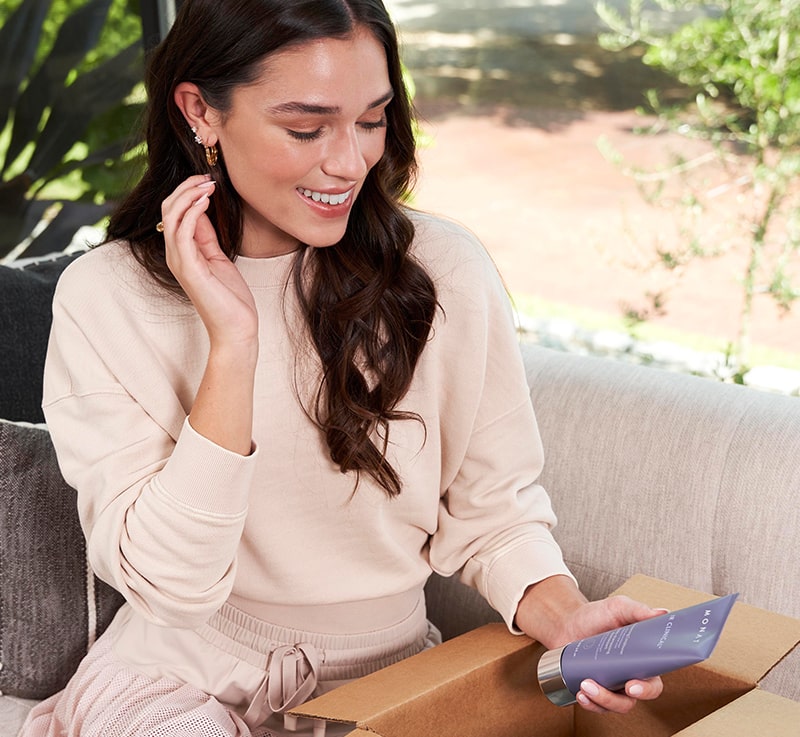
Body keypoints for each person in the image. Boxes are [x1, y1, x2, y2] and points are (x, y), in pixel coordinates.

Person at [21, 1, 664, 735]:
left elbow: (494, 514)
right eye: (306, 128)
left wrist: (572, 616)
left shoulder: (444, 272)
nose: (349, 161)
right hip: (174, 678)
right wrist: (233, 342)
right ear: (201, 111)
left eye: (371, 119)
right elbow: (173, 587)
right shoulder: (106, 297)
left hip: (389, 681)